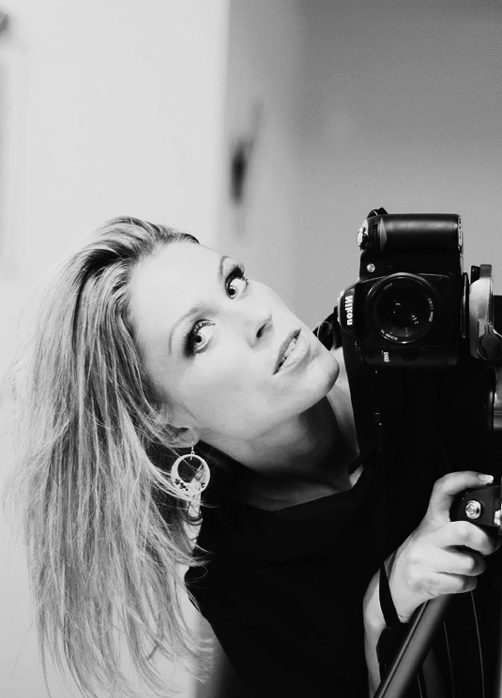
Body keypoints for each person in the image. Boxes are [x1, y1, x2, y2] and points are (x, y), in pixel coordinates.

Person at [4, 215, 501, 698]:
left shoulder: (418, 336)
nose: (258, 317)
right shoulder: (238, 583)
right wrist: (383, 614)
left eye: (234, 283)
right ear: (168, 424)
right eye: (199, 335)